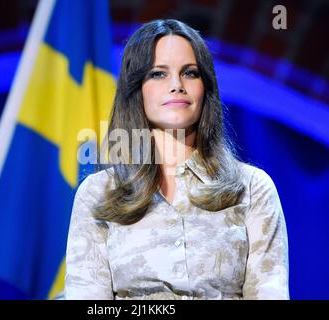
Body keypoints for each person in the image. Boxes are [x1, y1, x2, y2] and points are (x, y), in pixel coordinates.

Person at [64, 19, 289, 300]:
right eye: (158, 74)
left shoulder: (253, 189)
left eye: (190, 73)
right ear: (137, 89)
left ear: (205, 87)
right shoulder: (98, 194)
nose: (176, 85)